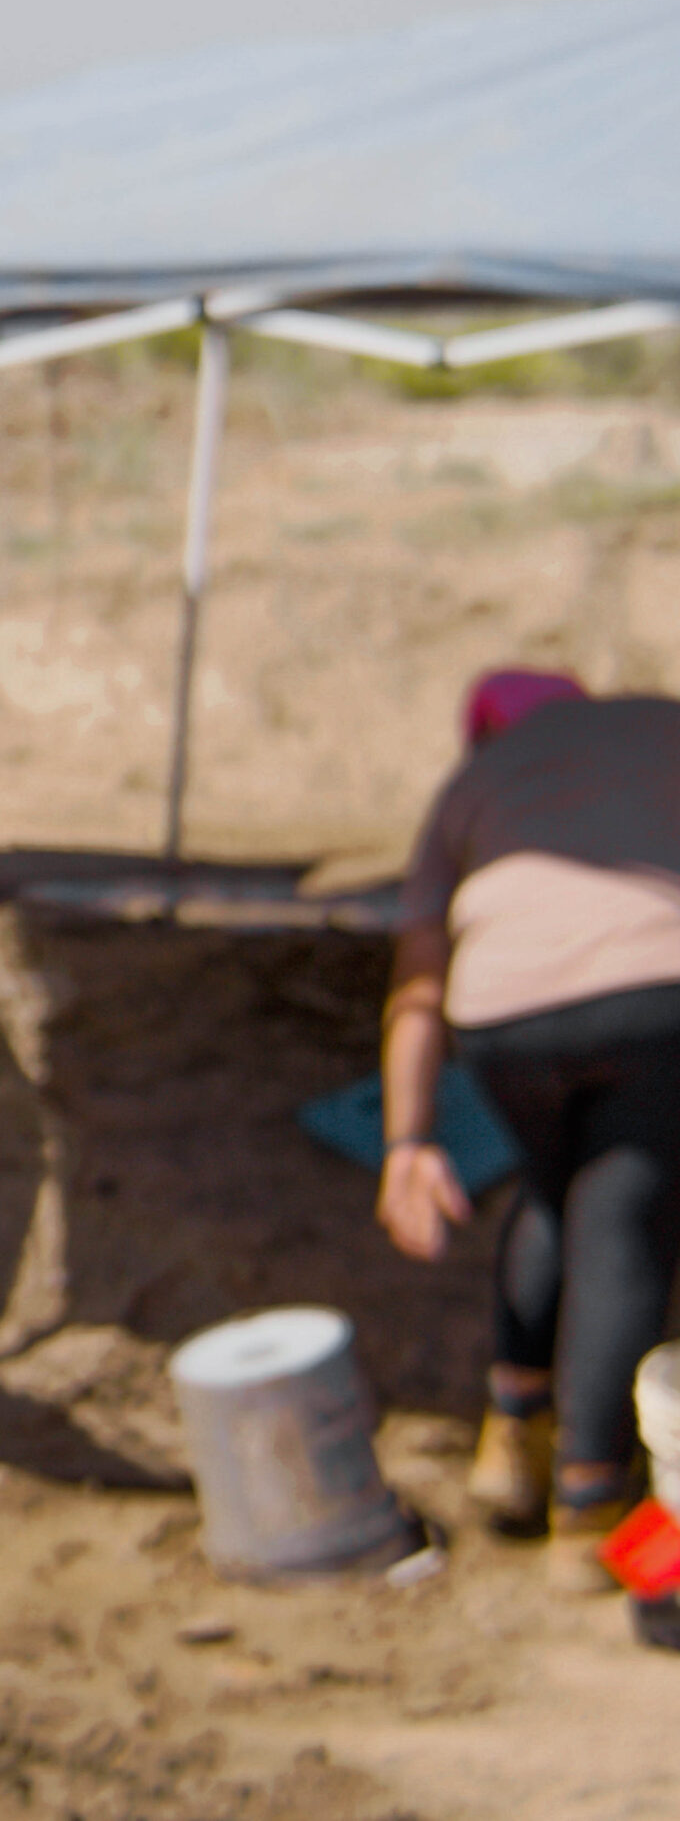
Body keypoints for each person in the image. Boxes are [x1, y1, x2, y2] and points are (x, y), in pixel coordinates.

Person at [377, 667, 680, 1592]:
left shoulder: (479, 781)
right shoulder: (661, 730)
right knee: (624, 1214)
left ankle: (513, 1443)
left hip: (504, 1016)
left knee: (553, 1193)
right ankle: (591, 1508)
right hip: (653, 993)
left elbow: (418, 974)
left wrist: (407, 1142)